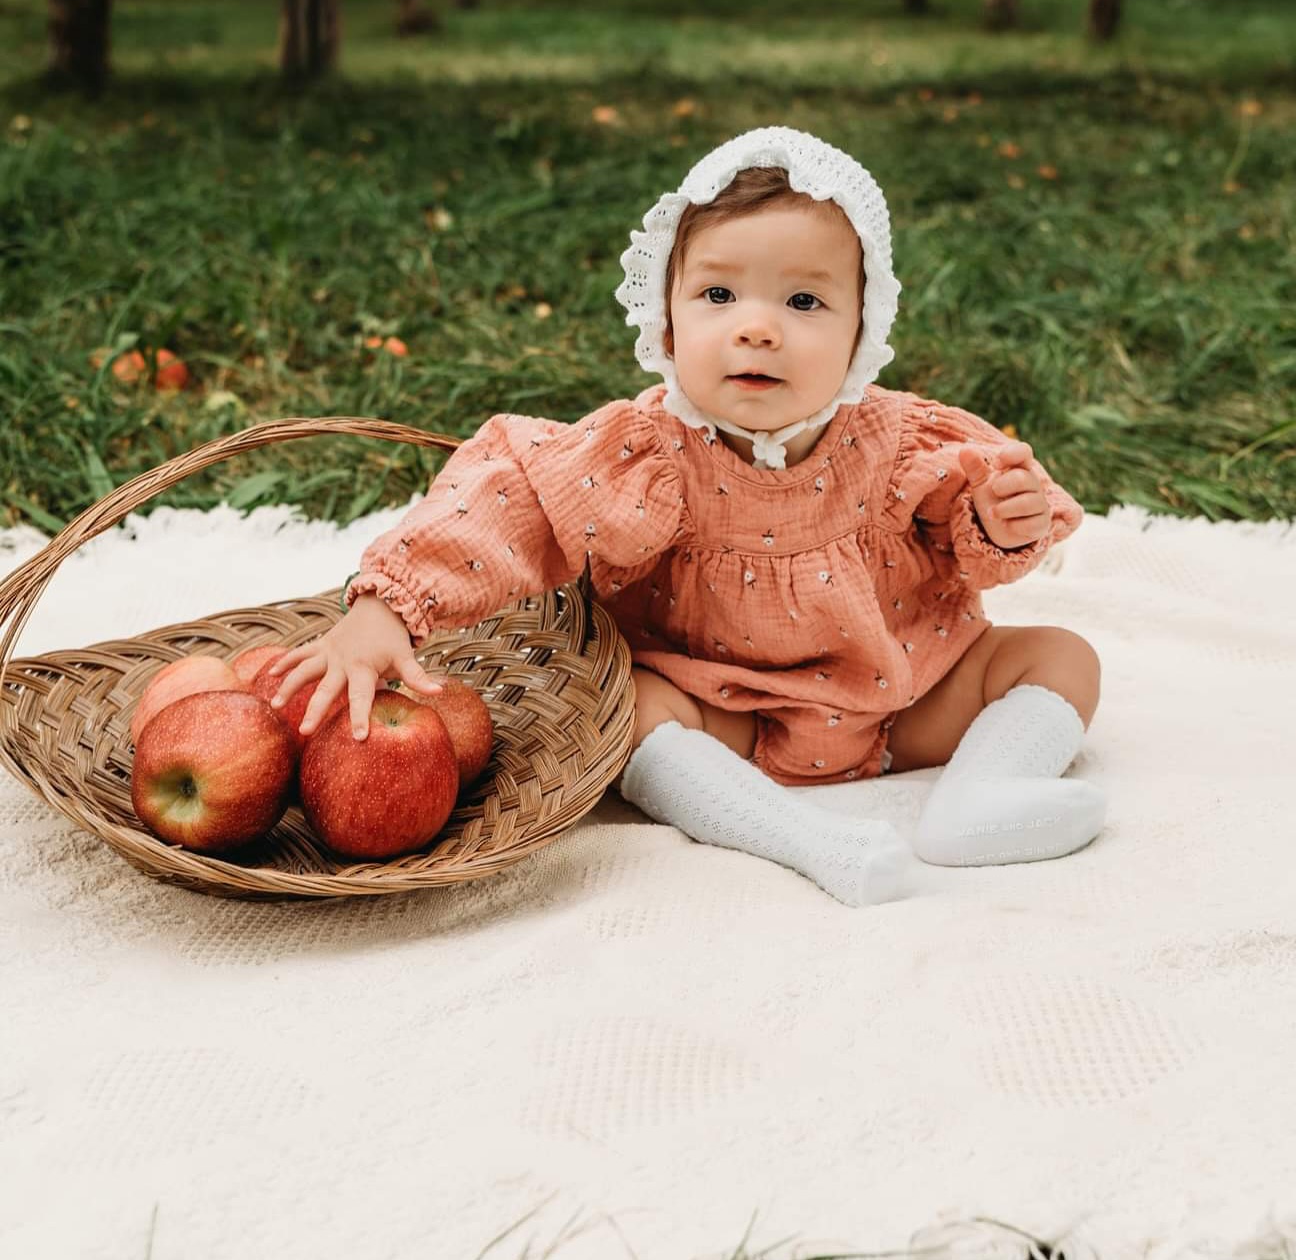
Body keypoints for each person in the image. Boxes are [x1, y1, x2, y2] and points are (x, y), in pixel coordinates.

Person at [269, 127, 1104, 907]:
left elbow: (976, 541)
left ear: (863, 329)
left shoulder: (901, 438)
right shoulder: (645, 451)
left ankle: (981, 797)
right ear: (666, 316)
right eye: (716, 292)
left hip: (904, 698)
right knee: (623, 707)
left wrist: (998, 520)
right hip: (725, 710)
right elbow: (508, 498)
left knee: (1060, 656)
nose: (755, 328)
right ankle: (795, 836)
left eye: (804, 302)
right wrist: (389, 606)